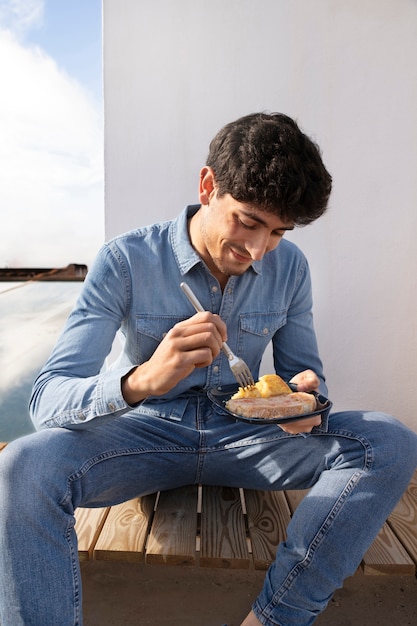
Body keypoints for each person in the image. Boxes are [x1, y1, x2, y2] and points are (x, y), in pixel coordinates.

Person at [0, 112, 416, 626]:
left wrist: (306, 401)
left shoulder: (291, 269)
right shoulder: (126, 260)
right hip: (143, 436)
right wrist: (143, 380)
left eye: (278, 232)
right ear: (207, 185)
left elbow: (305, 376)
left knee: (389, 441)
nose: (258, 249)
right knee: (22, 464)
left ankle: (276, 617)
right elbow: (47, 401)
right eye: (247, 222)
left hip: (249, 438)